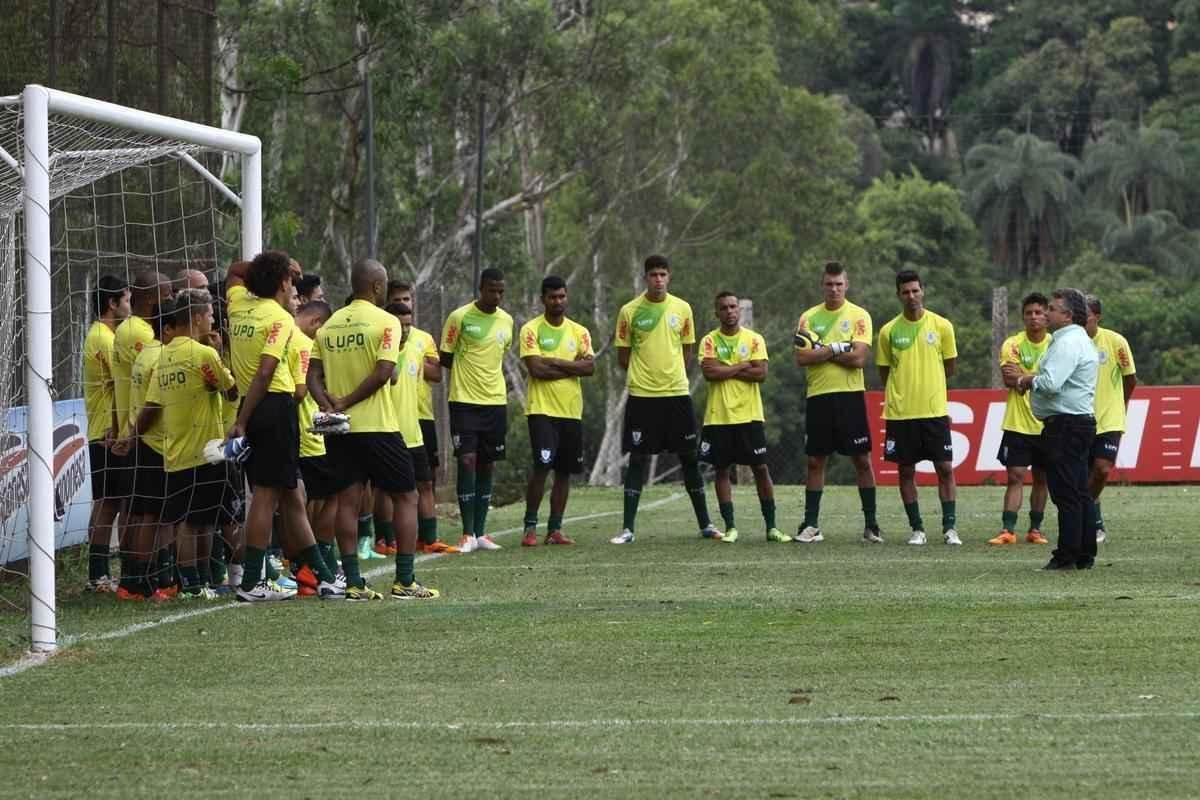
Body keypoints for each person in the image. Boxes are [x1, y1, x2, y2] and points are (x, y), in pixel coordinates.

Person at [309, 259, 439, 600]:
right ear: (378, 287)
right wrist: (347, 400)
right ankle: (405, 580)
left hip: (340, 430)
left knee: (347, 502)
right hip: (378, 426)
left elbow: (312, 375)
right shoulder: (386, 322)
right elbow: (384, 373)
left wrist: (327, 403)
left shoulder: (329, 325)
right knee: (406, 497)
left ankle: (353, 583)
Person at [226, 253, 342, 601]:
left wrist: (273, 264)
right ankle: (252, 582)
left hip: (252, 405)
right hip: (273, 406)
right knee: (265, 496)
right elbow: (265, 371)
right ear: (281, 283)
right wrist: (242, 421)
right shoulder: (279, 318)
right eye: (290, 280)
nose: (294, 286)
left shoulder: (237, 305)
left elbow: (234, 271)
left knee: (292, 496)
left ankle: (324, 577)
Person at [130, 290, 237, 598]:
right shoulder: (203, 354)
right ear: (197, 317)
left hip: (174, 452)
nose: (213, 320)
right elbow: (231, 391)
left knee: (188, 521)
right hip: (207, 449)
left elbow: (152, 404)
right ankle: (241, 576)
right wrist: (218, 352)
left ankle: (193, 583)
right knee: (221, 517)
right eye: (210, 314)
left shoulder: (163, 356)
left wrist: (131, 437)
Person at [611, 254, 720, 544]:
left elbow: (687, 351)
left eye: (663, 274)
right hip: (642, 396)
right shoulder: (629, 311)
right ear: (645, 278)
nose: (658, 280)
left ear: (669, 277)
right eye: (653, 275)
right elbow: (623, 357)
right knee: (637, 458)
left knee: (689, 457)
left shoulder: (682, 308)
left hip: (676, 395)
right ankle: (628, 529)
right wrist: (646, 375)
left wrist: (671, 375)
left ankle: (706, 524)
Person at [1004, 288, 1098, 570]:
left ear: (1067, 315)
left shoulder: (1066, 343)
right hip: (1077, 423)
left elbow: (1051, 383)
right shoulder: (1078, 340)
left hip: (1065, 425)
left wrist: (1024, 380)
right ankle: (1084, 553)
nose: (1046, 313)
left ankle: (1066, 556)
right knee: (1079, 491)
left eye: (1052, 309)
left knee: (1066, 493)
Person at [792, 261, 880, 544]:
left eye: (839, 284)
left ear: (846, 285)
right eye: (829, 284)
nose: (834, 289)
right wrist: (837, 347)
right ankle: (812, 525)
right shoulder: (808, 317)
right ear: (822, 285)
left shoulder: (859, 315)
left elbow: (858, 359)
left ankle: (871, 525)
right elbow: (802, 357)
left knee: (862, 460)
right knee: (815, 461)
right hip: (818, 396)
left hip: (849, 396)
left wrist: (822, 351)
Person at [876, 269, 962, 546]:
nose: (911, 296)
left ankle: (950, 528)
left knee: (944, 468)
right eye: (906, 292)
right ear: (898, 295)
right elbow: (885, 372)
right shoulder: (888, 331)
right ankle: (917, 529)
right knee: (906, 471)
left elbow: (949, 367)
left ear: (923, 291)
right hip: (902, 413)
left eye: (915, 290)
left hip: (934, 412)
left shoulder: (942, 326)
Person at [440, 267, 514, 552]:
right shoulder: (459, 317)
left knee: (487, 462)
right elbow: (446, 356)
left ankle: (481, 533)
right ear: (481, 289)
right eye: (492, 290)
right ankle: (467, 533)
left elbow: (499, 354)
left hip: (495, 402)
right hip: (464, 401)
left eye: (501, 291)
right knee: (467, 460)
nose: (497, 296)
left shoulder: (507, 320)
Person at [518, 276, 595, 547]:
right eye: (552, 297)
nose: (557, 301)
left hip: (571, 411)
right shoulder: (531, 329)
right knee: (542, 468)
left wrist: (555, 361)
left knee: (564, 472)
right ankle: (530, 527)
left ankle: (554, 530)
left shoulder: (580, 331)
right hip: (542, 410)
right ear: (543, 299)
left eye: (562, 296)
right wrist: (572, 367)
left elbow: (589, 367)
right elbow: (536, 369)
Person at [698, 291, 779, 544]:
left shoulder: (754, 339)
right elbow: (710, 373)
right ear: (717, 313)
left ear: (739, 310)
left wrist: (726, 368)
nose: (730, 311)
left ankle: (772, 527)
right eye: (724, 308)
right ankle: (730, 527)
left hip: (749, 415)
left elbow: (760, 374)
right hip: (719, 416)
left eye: (733, 307)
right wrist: (743, 365)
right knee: (721, 469)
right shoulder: (709, 340)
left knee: (761, 468)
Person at [111, 271, 173, 593]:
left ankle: (138, 578)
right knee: (146, 512)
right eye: (168, 294)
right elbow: (153, 398)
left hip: (133, 430)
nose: (172, 300)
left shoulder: (139, 335)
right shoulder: (141, 335)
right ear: (151, 298)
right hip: (142, 434)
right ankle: (140, 579)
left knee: (140, 510)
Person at [386, 281, 456, 554]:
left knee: (425, 480)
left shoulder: (421, 340)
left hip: (419, 419)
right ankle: (384, 538)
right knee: (386, 487)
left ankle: (428, 537)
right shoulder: (381, 341)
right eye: (398, 300)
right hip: (388, 423)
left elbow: (437, 373)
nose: (404, 303)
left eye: (407, 299)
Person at [988, 293, 1051, 547]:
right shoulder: (1012, 344)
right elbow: (1009, 379)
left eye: (1038, 312)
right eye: (1028, 313)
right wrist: (1041, 377)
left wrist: (1024, 376)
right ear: (1023, 317)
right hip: (1018, 424)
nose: (1033, 317)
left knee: (1042, 478)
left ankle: (1035, 529)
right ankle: (1008, 530)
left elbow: (1057, 380)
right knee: (1015, 476)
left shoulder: (1056, 344)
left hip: (1047, 424)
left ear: (1047, 316)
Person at [290, 300, 343, 595]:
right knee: (329, 498)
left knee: (304, 503)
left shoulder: (285, 336)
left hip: (297, 434)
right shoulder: (304, 344)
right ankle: (315, 563)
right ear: (317, 324)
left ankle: (309, 564)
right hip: (310, 436)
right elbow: (301, 391)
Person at [82, 274, 129, 592]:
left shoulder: (105, 335)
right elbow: (121, 380)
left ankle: (101, 572)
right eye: (126, 300)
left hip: (108, 430)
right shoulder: (103, 338)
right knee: (108, 503)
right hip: (106, 432)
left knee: (112, 501)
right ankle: (97, 574)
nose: (130, 306)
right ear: (112, 303)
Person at [1085, 296, 1136, 544]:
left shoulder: (1116, 342)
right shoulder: (1069, 343)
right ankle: (1093, 521)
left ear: (1097, 317)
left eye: (1086, 315)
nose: (1081, 320)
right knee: (1084, 474)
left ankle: (1085, 514)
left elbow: (1130, 378)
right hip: (1080, 418)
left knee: (1102, 469)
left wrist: (1119, 404)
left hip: (1110, 419)